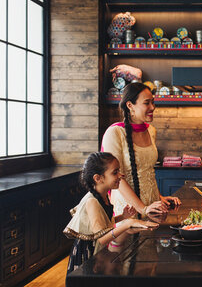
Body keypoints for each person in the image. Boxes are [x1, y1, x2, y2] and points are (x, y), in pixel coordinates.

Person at [64, 152, 158, 273]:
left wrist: (123, 217)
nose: (121, 175)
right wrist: (128, 223)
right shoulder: (92, 202)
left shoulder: (103, 195)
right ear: (98, 178)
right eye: (115, 172)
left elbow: (103, 223)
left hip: (97, 253)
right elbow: (102, 238)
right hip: (88, 256)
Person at [101, 82, 181, 217]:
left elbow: (146, 173)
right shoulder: (114, 133)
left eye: (153, 102)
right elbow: (116, 178)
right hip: (128, 208)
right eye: (147, 103)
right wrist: (143, 208)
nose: (153, 107)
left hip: (153, 204)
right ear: (130, 105)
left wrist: (160, 197)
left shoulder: (151, 131)